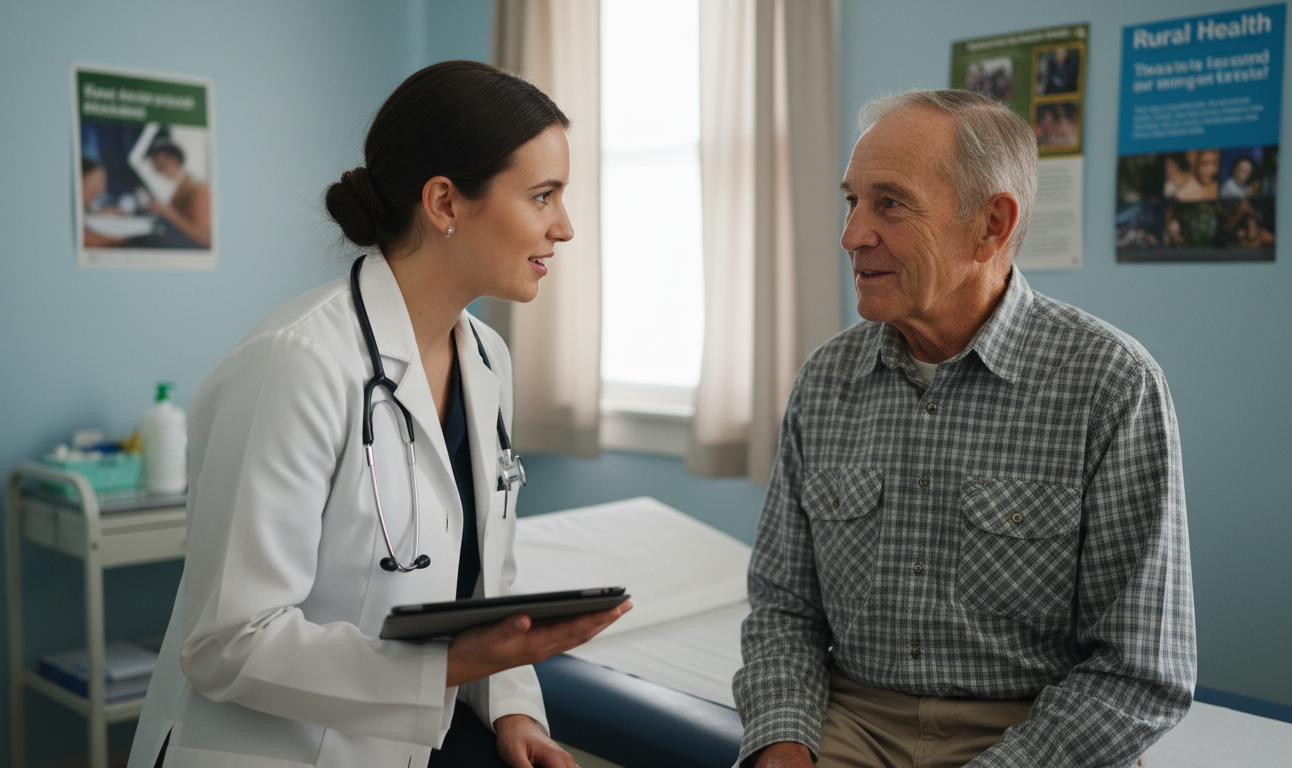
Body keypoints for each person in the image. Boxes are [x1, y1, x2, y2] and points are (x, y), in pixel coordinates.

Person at [127, 61, 630, 768]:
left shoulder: (487, 360)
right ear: (445, 203)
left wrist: (516, 712)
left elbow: (489, 584)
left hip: (408, 739)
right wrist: (445, 670)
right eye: (543, 196)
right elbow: (226, 641)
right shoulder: (294, 363)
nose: (566, 228)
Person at [733, 89, 1194, 768]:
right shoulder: (826, 381)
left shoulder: (1109, 385)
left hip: (1033, 730)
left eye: (888, 202)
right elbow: (782, 610)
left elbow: (1141, 669)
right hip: (853, 716)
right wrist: (781, 742)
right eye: (851, 201)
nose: (852, 234)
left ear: (990, 225)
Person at [144, 135, 212, 247]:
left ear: (174, 160)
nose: (159, 171)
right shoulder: (178, 190)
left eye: (162, 165)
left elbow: (204, 238)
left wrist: (166, 211)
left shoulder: (199, 189)